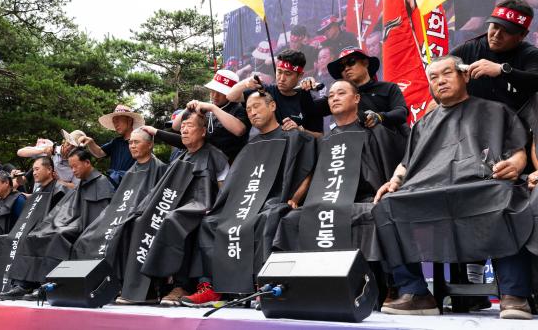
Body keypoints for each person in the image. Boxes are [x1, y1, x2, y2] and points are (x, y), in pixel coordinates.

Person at [373, 56, 534, 320]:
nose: (440, 81)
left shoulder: (495, 111)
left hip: (480, 186)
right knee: (386, 206)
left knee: (509, 198)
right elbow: (406, 164)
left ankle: (514, 294)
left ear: (465, 76)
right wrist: (394, 182)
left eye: (447, 73)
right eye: (433, 78)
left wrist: (514, 166)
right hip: (430, 190)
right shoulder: (423, 123)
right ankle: (416, 294)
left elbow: (518, 152)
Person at [273, 80, 401, 303]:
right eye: (331, 95)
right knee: (290, 219)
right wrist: (295, 198)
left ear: (357, 98)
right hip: (326, 200)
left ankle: (389, 285)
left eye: (341, 93)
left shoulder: (373, 130)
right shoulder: (326, 139)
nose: (334, 98)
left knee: (376, 213)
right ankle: (293, 288)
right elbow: (314, 173)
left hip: (364, 198)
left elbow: (387, 166)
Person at [184, 90, 316, 306]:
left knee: (267, 216)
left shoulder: (293, 135)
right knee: (210, 221)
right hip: (246, 201)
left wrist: (296, 198)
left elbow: (308, 169)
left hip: (274, 199)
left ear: (272, 106)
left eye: (256, 107)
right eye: (248, 110)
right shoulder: (250, 143)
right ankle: (212, 287)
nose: (252, 113)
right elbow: (236, 181)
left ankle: (261, 285)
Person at [120, 111, 229, 306]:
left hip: (203, 208)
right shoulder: (180, 158)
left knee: (175, 220)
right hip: (175, 205)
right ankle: (146, 287)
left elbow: (225, 189)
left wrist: (219, 211)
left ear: (203, 131)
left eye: (190, 126)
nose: (185, 130)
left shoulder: (215, 155)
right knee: (138, 220)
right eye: (183, 126)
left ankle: (182, 285)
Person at [70, 128, 168, 305]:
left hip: (140, 217)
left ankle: (130, 287)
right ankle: (91, 285)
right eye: (130, 142)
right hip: (121, 214)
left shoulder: (160, 169)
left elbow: (157, 201)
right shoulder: (131, 170)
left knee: (123, 232)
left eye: (136, 142)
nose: (132, 146)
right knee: (88, 236)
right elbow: (120, 200)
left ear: (150, 144)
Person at [0, 148, 113, 291]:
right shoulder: (82, 183)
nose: (73, 171)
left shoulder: (101, 182)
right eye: (71, 167)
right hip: (71, 222)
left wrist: (68, 224)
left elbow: (99, 215)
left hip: (87, 227)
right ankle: (24, 283)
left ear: (87, 163)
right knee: (36, 234)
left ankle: (45, 285)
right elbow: (66, 209)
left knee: (57, 236)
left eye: (75, 166)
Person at [0, 157, 69, 300]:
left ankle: (29, 284)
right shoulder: (38, 191)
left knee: (30, 238)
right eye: (33, 169)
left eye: (37, 169)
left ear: (49, 170)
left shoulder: (60, 189)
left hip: (51, 230)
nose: (34, 173)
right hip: (32, 229)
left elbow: (60, 216)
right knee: (0, 240)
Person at [452, 0, 538, 112]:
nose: (497, 35)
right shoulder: (469, 48)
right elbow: (442, 67)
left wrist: (502, 70)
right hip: (470, 121)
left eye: (507, 30)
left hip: (515, 125)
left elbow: (535, 81)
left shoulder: (530, 54)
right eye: (495, 27)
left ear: (522, 35)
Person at [227, 49, 323, 137]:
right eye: (279, 72)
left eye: (288, 74)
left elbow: (319, 136)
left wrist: (299, 130)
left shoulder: (309, 100)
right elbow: (231, 96)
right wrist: (246, 83)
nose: (281, 79)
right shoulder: (266, 91)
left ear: (300, 75)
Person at [312, 47, 409, 134]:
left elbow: (401, 112)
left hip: (388, 148)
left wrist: (379, 117)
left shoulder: (388, 88)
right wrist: (304, 89)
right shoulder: (337, 97)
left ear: (365, 63)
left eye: (351, 62)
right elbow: (309, 109)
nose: (346, 68)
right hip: (352, 150)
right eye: (342, 67)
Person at [168, 70, 249, 162]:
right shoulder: (204, 106)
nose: (215, 95)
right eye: (212, 91)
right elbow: (176, 126)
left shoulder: (239, 108)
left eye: (220, 92)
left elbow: (239, 130)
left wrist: (213, 108)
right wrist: (188, 108)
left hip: (229, 164)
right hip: (201, 161)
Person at [82, 104, 145, 190]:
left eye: (118, 120)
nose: (115, 124)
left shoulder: (140, 142)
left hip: (130, 187)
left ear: (129, 120)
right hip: (111, 185)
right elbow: (99, 153)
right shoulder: (116, 142)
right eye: (114, 121)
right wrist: (90, 142)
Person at [17, 129, 86, 189]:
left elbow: (75, 186)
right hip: (39, 194)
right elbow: (20, 152)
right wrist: (43, 150)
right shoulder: (50, 148)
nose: (68, 148)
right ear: (64, 141)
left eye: (73, 147)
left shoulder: (77, 164)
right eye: (68, 144)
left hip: (60, 200)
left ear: (77, 150)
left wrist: (58, 181)